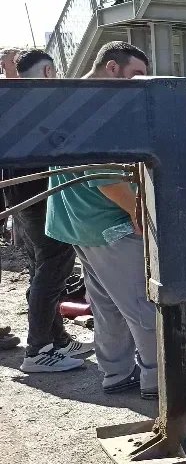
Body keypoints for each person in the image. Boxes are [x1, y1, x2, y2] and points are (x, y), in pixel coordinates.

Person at [45, 41, 156, 396]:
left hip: (79, 222)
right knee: (142, 303)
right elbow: (107, 178)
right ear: (112, 67)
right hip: (110, 225)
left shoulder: (71, 99)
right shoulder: (96, 109)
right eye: (136, 74)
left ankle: (116, 373)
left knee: (107, 304)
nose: (141, 82)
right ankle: (160, 379)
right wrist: (139, 211)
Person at [1, 49, 91, 373]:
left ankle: (56, 339)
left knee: (41, 267)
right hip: (40, 196)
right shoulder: (43, 102)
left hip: (18, 195)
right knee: (55, 265)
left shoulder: (9, 99)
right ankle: (38, 351)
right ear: (50, 71)